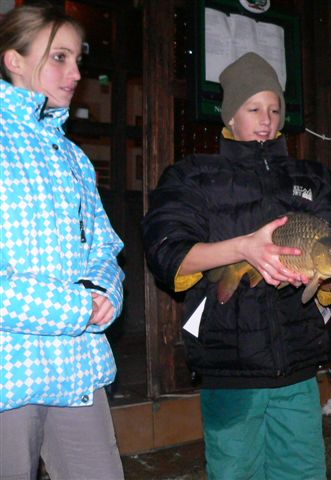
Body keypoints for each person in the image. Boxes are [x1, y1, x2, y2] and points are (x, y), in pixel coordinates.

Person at [141, 52, 331, 480]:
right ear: (229, 115)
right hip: (230, 368)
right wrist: (243, 249)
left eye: (274, 110)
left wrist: (324, 281)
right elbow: (166, 251)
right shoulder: (193, 176)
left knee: (303, 473)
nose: (266, 121)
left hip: (297, 367)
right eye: (253, 109)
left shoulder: (313, 178)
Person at [0, 4, 126, 480]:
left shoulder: (72, 157)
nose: (76, 74)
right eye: (59, 57)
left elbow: (104, 246)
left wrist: (105, 291)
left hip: (75, 365)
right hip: (8, 370)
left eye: (78, 59)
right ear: (14, 60)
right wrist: (75, 308)